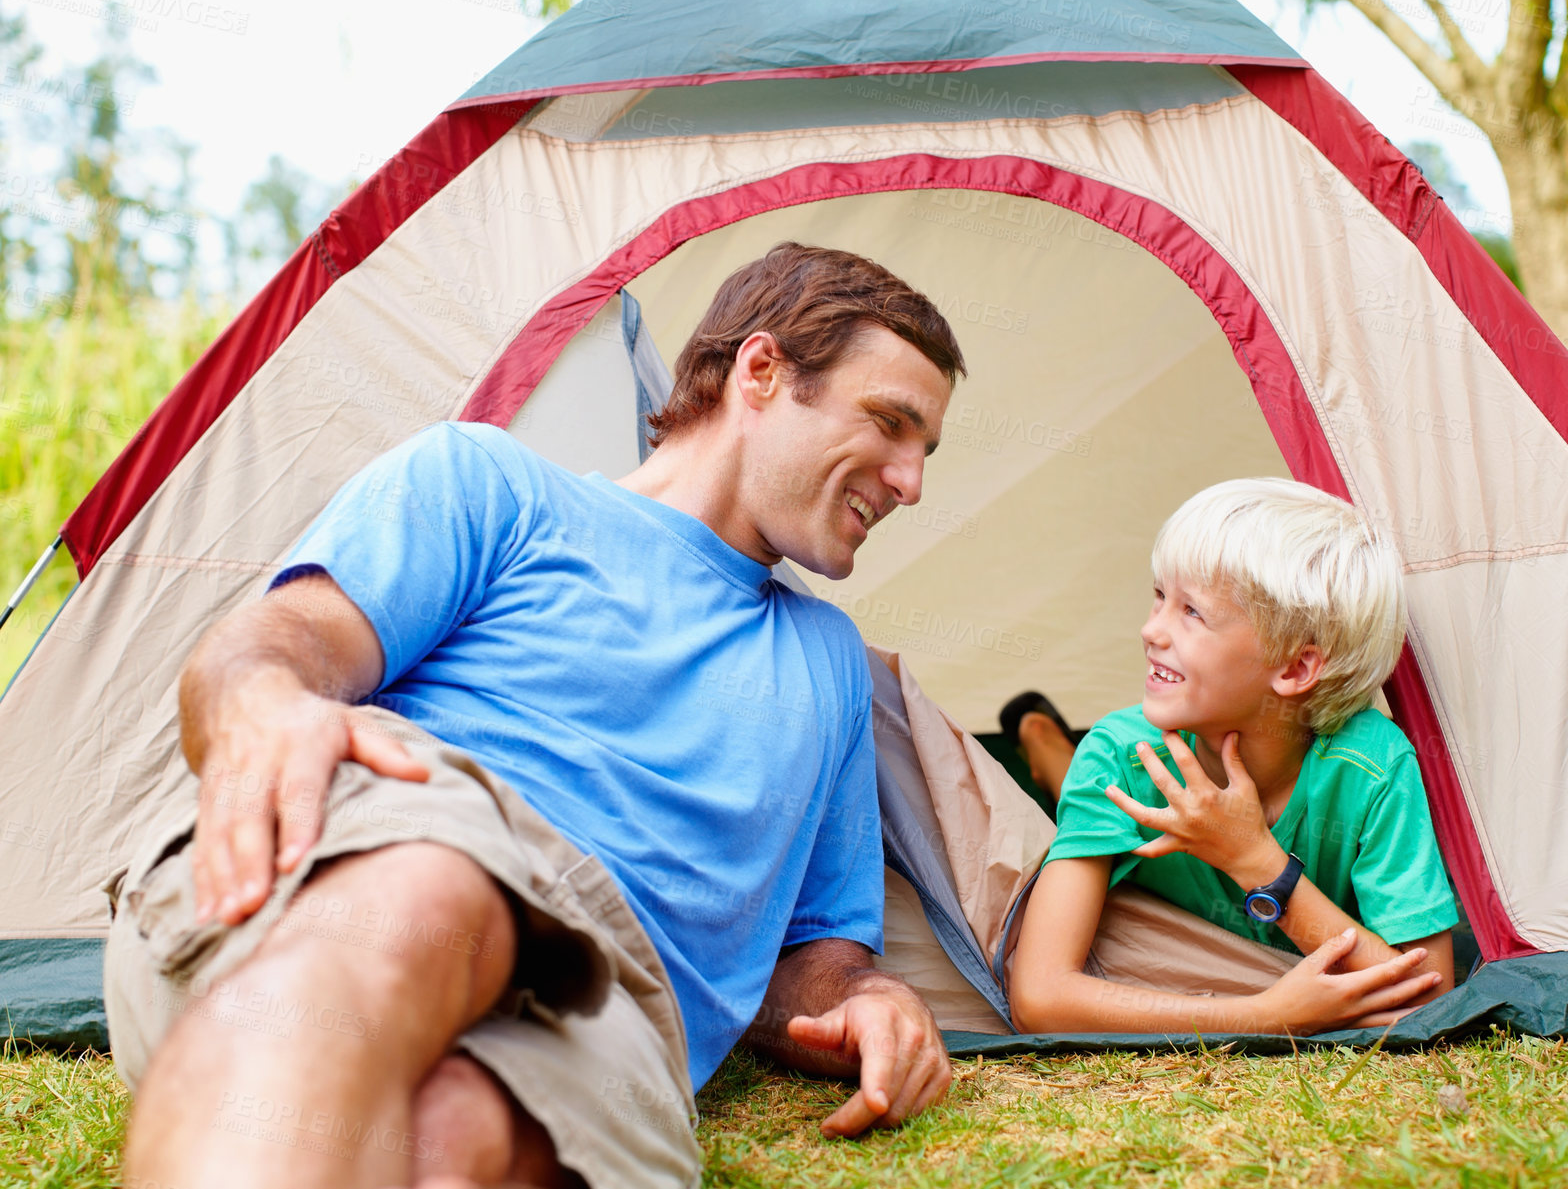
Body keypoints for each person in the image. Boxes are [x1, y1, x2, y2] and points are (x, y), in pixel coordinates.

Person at [107, 242, 965, 1189]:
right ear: (760, 372)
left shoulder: (830, 664)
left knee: (465, 1136)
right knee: (434, 895)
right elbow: (281, 641)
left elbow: (811, 959)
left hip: (605, 1006)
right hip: (380, 868)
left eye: (924, 451)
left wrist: (868, 996)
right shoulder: (493, 487)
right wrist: (262, 706)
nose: (909, 481)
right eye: (889, 423)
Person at [1010, 478, 1458, 1036]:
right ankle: (1040, 736)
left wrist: (1257, 861)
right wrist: (1264, 1017)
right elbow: (1038, 996)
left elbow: (1428, 993)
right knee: (1076, 784)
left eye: (1192, 612)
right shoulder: (1120, 755)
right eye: (1159, 597)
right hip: (1109, 784)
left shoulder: (1371, 767)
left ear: (1295, 668)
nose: (1150, 630)